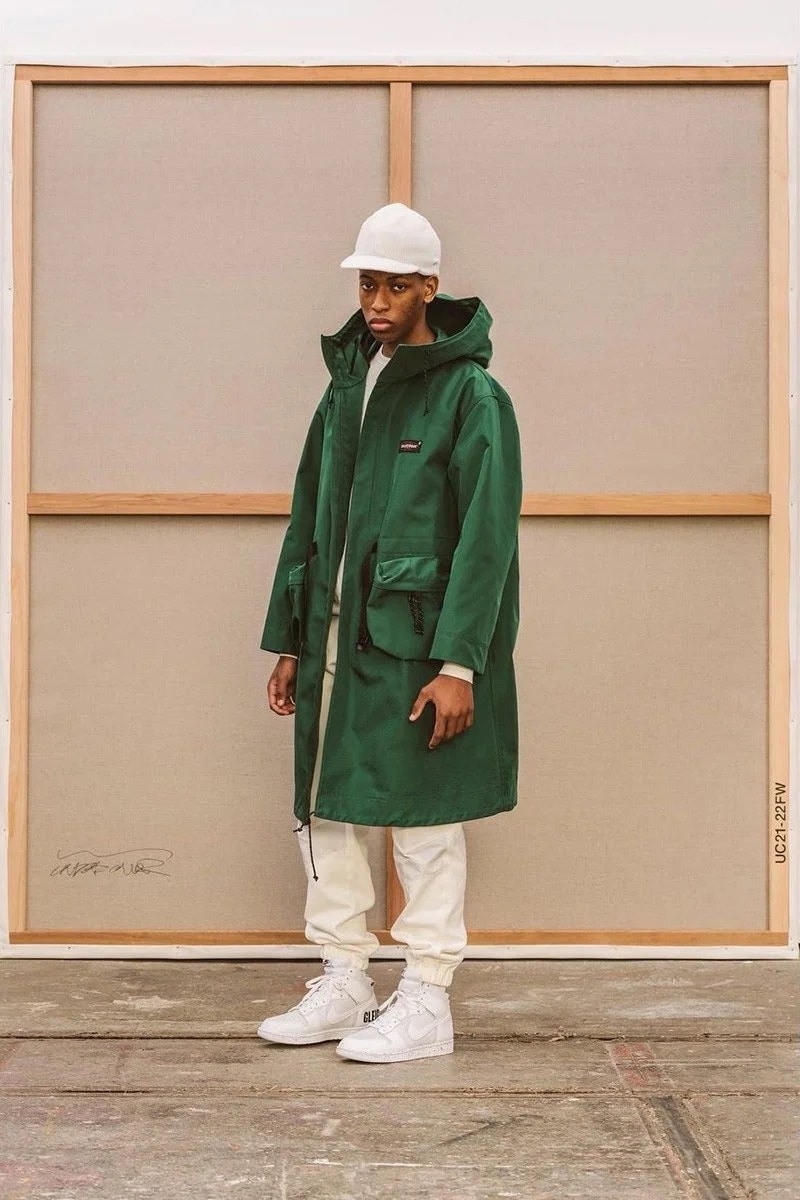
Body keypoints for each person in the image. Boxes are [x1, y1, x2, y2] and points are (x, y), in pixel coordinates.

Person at [257, 203, 522, 1063]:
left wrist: (460, 666)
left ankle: (428, 997)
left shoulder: (472, 396)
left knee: (423, 817)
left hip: (418, 644)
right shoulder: (345, 388)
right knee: (325, 807)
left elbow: (487, 539)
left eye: (395, 286)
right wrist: (291, 638)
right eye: (367, 284)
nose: (375, 302)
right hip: (334, 636)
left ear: (429, 288)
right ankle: (344, 979)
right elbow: (309, 515)